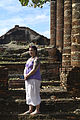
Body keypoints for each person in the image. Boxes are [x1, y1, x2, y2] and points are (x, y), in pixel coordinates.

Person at [23, 45, 41, 115]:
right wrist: (25, 75)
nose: (30, 52)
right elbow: (25, 68)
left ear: (35, 51)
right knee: (29, 93)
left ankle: (37, 109)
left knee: (35, 93)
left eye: (32, 50)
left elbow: (34, 69)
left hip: (34, 78)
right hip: (28, 79)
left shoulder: (36, 59)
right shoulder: (29, 59)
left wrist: (28, 75)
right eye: (29, 50)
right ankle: (30, 109)